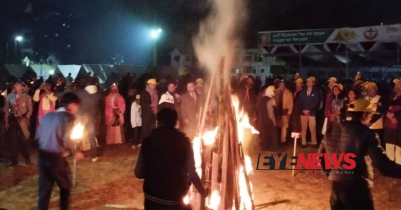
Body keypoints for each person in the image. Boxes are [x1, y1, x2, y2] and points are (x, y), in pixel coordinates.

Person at [318, 99, 401, 210]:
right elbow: (383, 165)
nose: (371, 118)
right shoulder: (367, 133)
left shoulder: (332, 129)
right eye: (370, 115)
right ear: (364, 115)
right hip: (358, 190)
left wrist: (332, 174)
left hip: (336, 189)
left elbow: (320, 157)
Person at [134, 108, 206, 210]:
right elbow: (192, 173)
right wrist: (203, 192)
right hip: (174, 201)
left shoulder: (147, 141)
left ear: (158, 122)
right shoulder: (184, 142)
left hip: (152, 200)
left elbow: (138, 173)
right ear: (176, 122)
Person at [37, 92, 84, 210]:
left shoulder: (48, 115)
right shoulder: (68, 118)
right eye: (77, 107)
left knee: (44, 192)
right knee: (65, 187)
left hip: (42, 157)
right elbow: (67, 139)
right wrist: (75, 152)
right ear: (72, 105)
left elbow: (38, 136)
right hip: (56, 159)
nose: (76, 110)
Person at [6, 80, 33, 166]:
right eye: (15, 85)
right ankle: (14, 160)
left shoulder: (27, 97)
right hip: (13, 119)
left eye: (18, 85)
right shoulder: (10, 96)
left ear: (22, 87)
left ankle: (27, 158)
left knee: (23, 140)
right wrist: (6, 120)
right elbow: (6, 109)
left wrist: (27, 117)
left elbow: (30, 109)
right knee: (13, 140)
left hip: (22, 119)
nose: (16, 86)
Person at [76, 77, 103, 162]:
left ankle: (76, 154)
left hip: (81, 117)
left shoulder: (81, 93)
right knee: (92, 136)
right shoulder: (98, 94)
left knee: (78, 136)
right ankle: (93, 156)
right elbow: (102, 93)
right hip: (91, 118)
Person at [299, 76, 321, 147]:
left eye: (310, 82)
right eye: (308, 82)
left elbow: (316, 102)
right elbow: (300, 102)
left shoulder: (316, 92)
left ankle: (314, 142)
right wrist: (303, 110)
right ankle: (303, 142)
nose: (309, 83)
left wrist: (309, 110)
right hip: (303, 113)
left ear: (313, 83)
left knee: (312, 128)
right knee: (303, 128)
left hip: (312, 112)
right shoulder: (302, 91)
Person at [384, 79, 401, 164]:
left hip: (398, 125)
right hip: (389, 124)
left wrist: (395, 117)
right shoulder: (390, 96)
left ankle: (398, 164)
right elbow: (385, 107)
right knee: (389, 144)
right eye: (397, 86)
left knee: (399, 146)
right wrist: (388, 115)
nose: (399, 87)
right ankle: (390, 164)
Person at [258, 86, 279, 151]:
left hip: (262, 119)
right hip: (269, 120)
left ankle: (264, 147)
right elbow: (271, 112)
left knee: (264, 134)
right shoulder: (270, 100)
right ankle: (273, 148)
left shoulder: (262, 99)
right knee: (273, 134)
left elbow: (259, 108)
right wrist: (274, 121)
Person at [364, 82, 384, 146]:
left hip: (376, 124)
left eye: (372, 88)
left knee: (376, 143)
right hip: (366, 124)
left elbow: (379, 112)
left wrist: (371, 121)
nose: (370, 90)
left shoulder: (380, 98)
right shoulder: (365, 99)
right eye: (368, 88)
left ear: (376, 89)